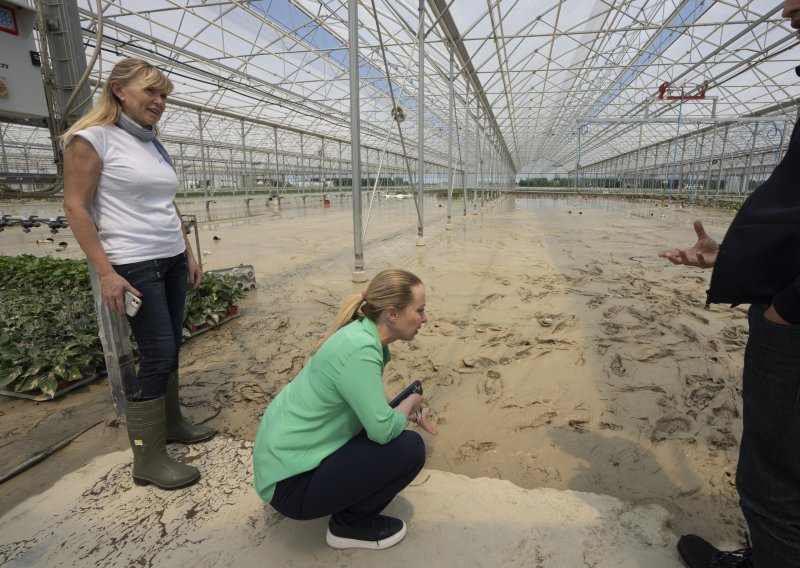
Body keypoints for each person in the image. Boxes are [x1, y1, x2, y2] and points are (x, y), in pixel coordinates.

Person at [660, 3, 800, 566]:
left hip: (792, 320)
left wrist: (785, 310)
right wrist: (738, 256)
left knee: (773, 475)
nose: (787, 8)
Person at [63, 58, 215, 490]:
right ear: (118, 90)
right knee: (157, 352)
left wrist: (188, 252)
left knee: (171, 347)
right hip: (133, 262)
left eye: (164, 94)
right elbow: (75, 206)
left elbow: (167, 203)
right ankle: (147, 459)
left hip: (169, 258)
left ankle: (173, 424)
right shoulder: (91, 140)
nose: (159, 101)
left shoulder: (152, 143)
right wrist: (106, 272)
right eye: (151, 92)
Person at [252, 268, 438, 550]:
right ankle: (349, 526)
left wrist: (400, 411)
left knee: (391, 423)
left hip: (278, 468)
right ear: (392, 313)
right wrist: (410, 403)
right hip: (289, 487)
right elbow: (383, 431)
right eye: (420, 310)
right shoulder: (361, 350)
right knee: (410, 449)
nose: (425, 319)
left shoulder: (357, 334)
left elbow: (371, 411)